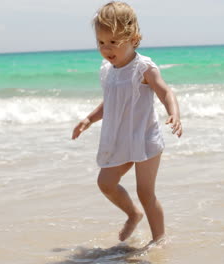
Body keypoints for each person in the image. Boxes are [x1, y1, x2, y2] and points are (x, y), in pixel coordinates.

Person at [72, 1, 182, 243]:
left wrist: (173, 112)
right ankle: (133, 214)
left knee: (146, 192)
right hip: (120, 139)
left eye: (113, 42)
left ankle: (159, 240)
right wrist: (89, 119)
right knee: (106, 183)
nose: (106, 48)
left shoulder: (143, 68)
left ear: (133, 38)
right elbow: (110, 102)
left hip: (145, 139)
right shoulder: (108, 70)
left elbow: (165, 92)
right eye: (101, 42)